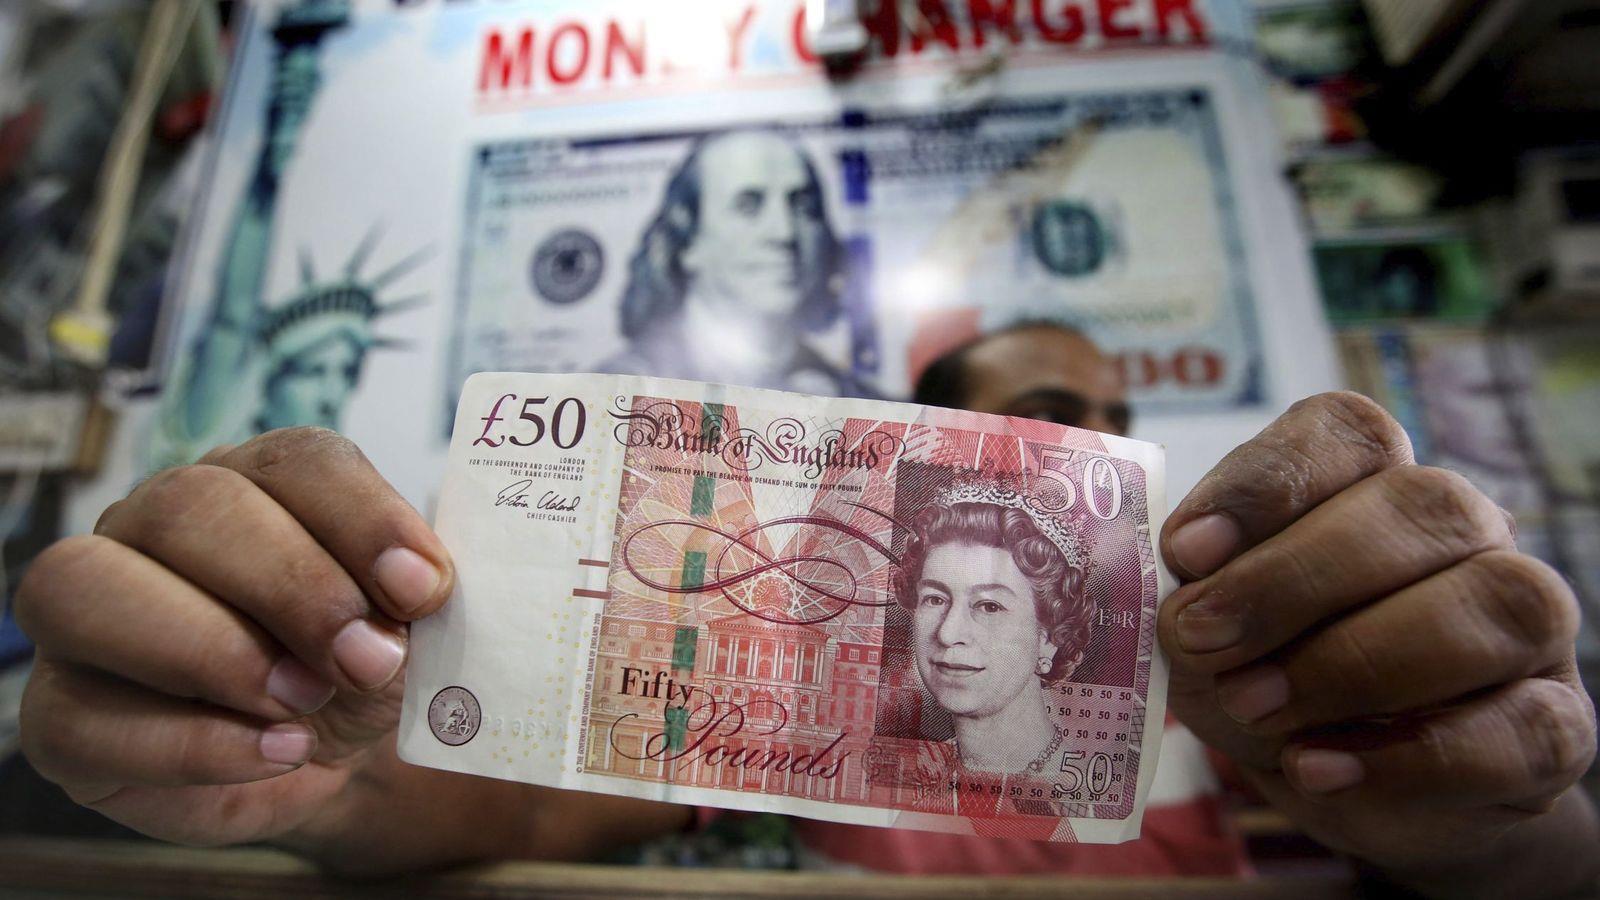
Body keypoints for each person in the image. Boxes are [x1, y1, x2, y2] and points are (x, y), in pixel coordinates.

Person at [14, 322, 1599, 897]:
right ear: (925, 442)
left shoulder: (1265, 697)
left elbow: (1502, 860)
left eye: (1117, 431)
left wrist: (1502, 840)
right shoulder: (784, 679)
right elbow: (501, 809)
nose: (1096, 468)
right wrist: (319, 765)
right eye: (1051, 421)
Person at [601, 129, 873, 398]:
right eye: (747, 207)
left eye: (803, 207)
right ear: (687, 240)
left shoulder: (862, 403)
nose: (784, 232)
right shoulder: (613, 397)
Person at [898, 498, 1092, 776]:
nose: (948, 633)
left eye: (989, 606)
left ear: (1049, 638)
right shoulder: (915, 773)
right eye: (935, 599)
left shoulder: (1077, 780)